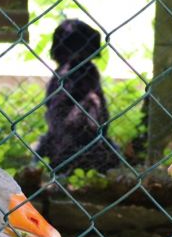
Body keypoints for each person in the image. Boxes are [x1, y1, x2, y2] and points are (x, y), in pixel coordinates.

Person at [34, 19, 121, 177]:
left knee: (44, 144)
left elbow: (50, 110)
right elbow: (103, 115)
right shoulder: (89, 72)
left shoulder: (61, 74)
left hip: (61, 148)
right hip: (91, 146)